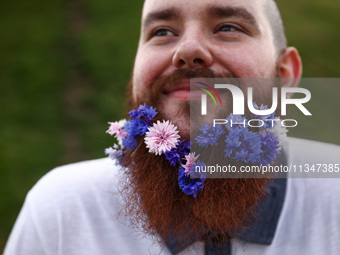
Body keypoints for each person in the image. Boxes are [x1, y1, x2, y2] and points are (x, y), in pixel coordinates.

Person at [4, 0, 340, 254]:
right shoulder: (60, 212)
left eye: (227, 27)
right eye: (162, 32)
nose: (188, 50)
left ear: (284, 76)